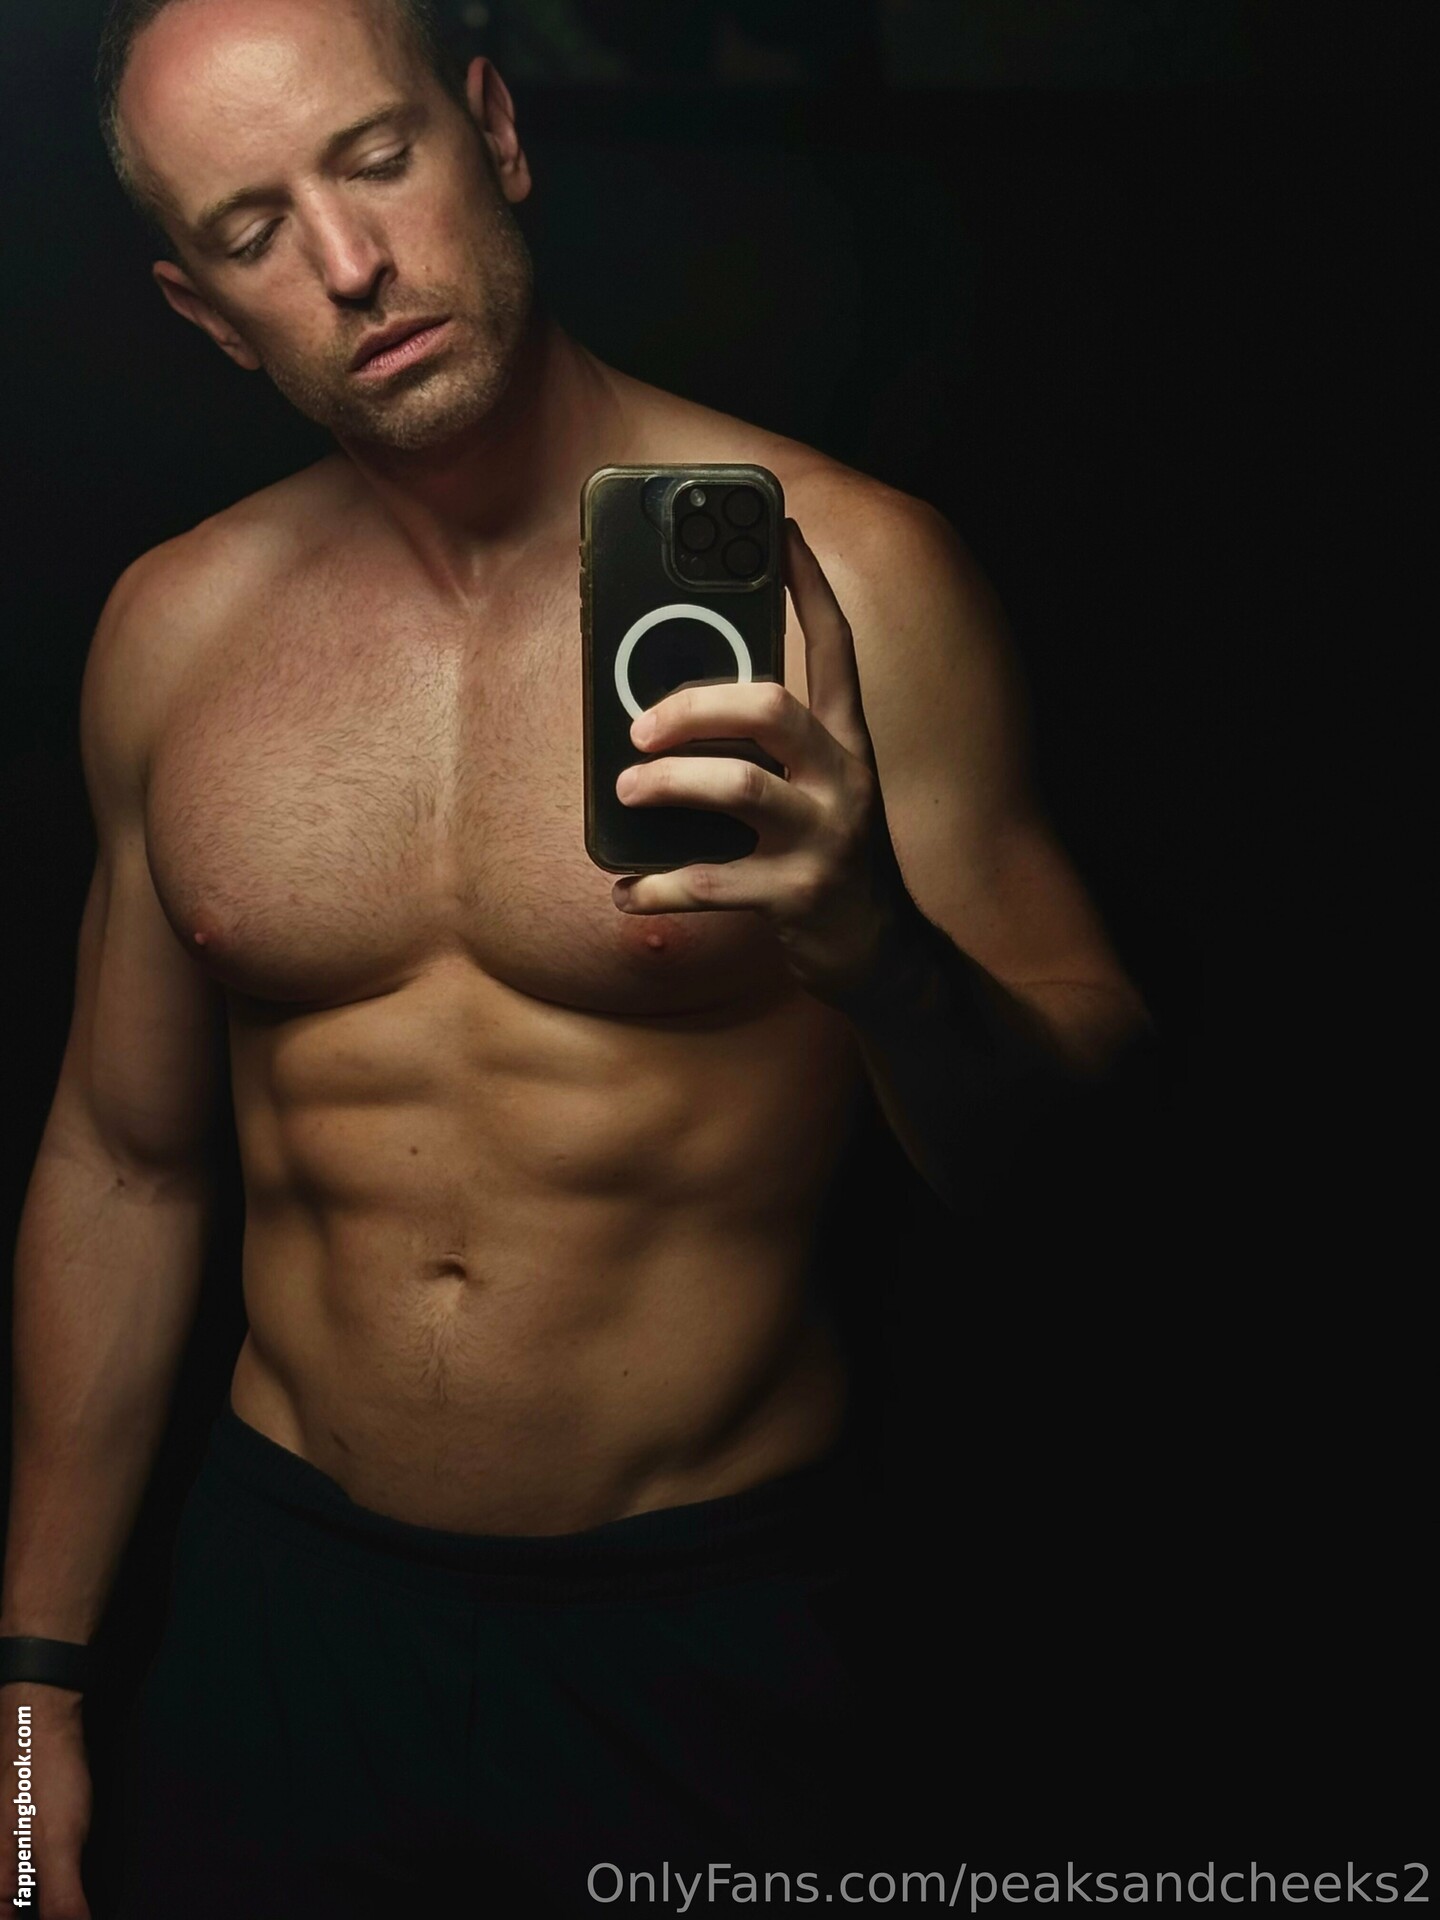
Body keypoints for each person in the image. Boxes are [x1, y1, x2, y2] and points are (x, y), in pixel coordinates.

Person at [0, 0, 1155, 1913]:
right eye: (255, 230)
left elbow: (1090, 1178)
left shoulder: (858, 581)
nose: (351, 263)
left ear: (497, 133)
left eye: (378, 160)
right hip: (282, 1615)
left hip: (707, 1627)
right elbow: (122, 1163)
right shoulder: (174, 632)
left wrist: (874, 950)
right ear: (203, 312)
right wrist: (32, 1690)